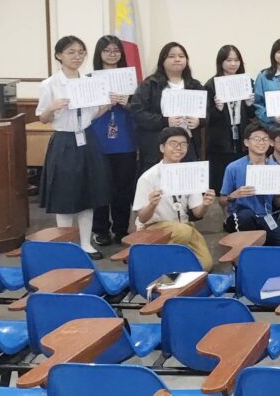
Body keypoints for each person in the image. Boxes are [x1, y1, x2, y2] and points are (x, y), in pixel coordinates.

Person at [36, 36, 112, 259]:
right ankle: (65, 244)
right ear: (59, 55)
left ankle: (86, 243)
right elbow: (42, 118)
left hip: (87, 138)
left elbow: (92, 115)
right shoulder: (49, 84)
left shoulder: (90, 82)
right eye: (71, 52)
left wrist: (106, 106)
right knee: (65, 195)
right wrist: (52, 107)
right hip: (64, 140)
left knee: (88, 193)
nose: (77, 56)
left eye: (81, 52)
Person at [131, 127, 216, 270]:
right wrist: (152, 204)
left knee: (205, 265)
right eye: (173, 143)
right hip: (154, 227)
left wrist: (206, 204)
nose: (179, 148)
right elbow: (143, 218)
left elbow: (197, 213)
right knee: (184, 231)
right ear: (162, 148)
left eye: (183, 144)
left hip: (183, 227)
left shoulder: (189, 173)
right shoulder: (148, 177)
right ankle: (155, 260)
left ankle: (172, 265)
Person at [219, 122, 280, 247]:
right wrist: (233, 195)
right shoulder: (234, 167)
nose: (261, 142)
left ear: (269, 142)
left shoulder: (275, 168)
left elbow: (276, 203)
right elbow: (222, 201)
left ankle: (264, 240)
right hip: (240, 217)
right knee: (246, 216)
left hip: (266, 216)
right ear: (246, 142)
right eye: (256, 139)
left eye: (265, 139)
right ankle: (249, 245)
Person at [89, 35, 138, 246]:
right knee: (99, 187)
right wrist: (104, 104)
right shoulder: (89, 79)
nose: (112, 54)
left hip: (125, 140)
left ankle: (121, 229)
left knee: (123, 188)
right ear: (99, 54)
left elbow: (140, 110)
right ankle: (100, 230)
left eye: (116, 50)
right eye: (107, 50)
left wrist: (127, 103)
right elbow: (84, 113)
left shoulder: (131, 80)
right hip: (98, 140)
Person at [129, 42, 205, 176]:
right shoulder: (150, 84)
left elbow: (207, 112)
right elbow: (137, 112)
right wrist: (165, 121)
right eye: (171, 56)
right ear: (162, 60)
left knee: (186, 181)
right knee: (160, 184)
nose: (177, 59)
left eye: (181, 56)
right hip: (157, 147)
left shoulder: (195, 85)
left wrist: (199, 121)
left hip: (187, 146)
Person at [204, 45, 255, 193]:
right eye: (228, 60)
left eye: (236, 60)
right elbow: (205, 118)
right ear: (221, 62)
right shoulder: (211, 85)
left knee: (242, 179)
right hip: (220, 140)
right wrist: (217, 110)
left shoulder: (247, 82)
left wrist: (249, 105)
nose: (233, 64)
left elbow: (252, 114)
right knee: (222, 183)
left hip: (242, 135)